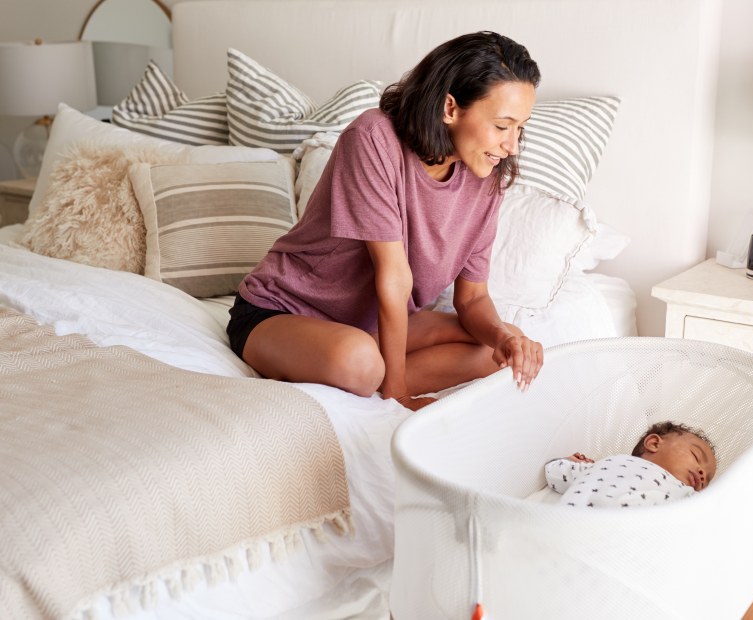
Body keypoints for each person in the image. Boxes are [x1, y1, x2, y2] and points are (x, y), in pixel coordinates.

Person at [226, 32, 544, 411]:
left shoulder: (487, 180)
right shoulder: (374, 137)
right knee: (360, 363)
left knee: (504, 347)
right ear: (450, 108)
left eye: (520, 128)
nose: (511, 145)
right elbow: (393, 277)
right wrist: (397, 394)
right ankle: (373, 373)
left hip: (370, 327)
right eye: (502, 125)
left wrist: (502, 339)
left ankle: (375, 368)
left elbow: (473, 298)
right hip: (282, 312)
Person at [544, 421, 717, 508]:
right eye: (696, 456)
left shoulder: (687, 497)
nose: (702, 474)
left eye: (707, 482)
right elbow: (555, 472)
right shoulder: (607, 465)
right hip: (570, 531)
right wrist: (571, 462)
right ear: (654, 444)